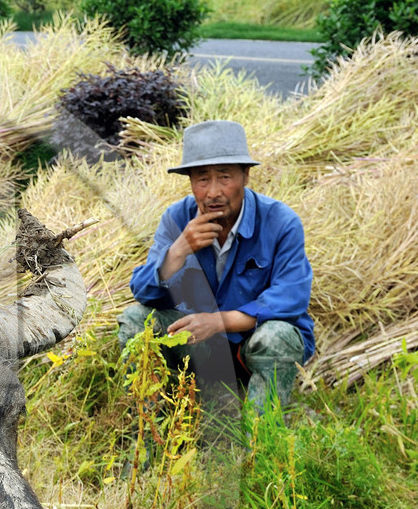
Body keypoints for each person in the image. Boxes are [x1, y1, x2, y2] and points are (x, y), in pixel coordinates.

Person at [120, 120, 314, 410]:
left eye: (224, 177)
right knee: (137, 319)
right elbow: (145, 293)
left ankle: (261, 443)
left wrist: (217, 321)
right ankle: (153, 430)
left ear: (246, 176)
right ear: (190, 183)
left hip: (252, 345)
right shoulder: (177, 218)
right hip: (201, 348)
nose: (212, 192)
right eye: (202, 179)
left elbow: (290, 300)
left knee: (279, 337)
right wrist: (177, 252)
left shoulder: (281, 222)